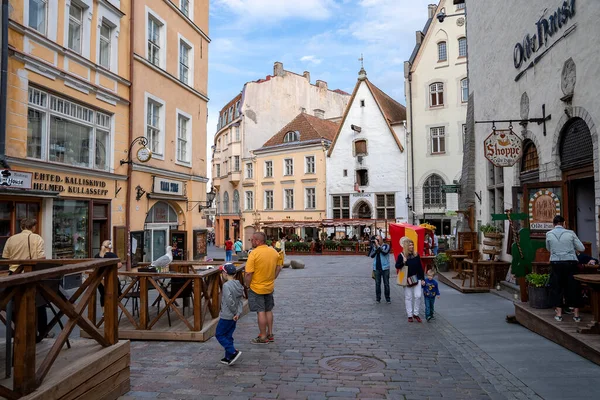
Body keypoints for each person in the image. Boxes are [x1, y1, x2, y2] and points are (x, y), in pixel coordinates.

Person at [2, 218, 50, 342]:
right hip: (31, 273)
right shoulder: (37, 238)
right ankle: (41, 331)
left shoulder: (11, 239)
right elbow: (41, 258)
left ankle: (18, 328)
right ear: (33, 226)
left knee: (12, 302)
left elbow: (6, 257)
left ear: (22, 226)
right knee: (39, 304)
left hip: (14, 275)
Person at [546, 215, 585, 322]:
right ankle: (576, 315)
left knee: (557, 287)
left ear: (553, 224)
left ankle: (559, 314)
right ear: (564, 223)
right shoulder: (570, 233)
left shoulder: (549, 234)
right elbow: (581, 248)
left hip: (556, 262)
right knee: (573, 287)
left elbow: (548, 248)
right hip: (570, 262)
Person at [244, 232, 281, 344]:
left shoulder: (254, 254)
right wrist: (272, 278)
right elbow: (279, 267)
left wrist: (247, 285)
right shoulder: (273, 252)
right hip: (269, 286)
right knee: (268, 310)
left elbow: (248, 274)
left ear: (257, 241)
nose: (251, 242)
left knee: (260, 311)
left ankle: (263, 336)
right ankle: (270, 334)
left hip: (256, 287)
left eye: (252, 240)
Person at [215, 263, 244, 365]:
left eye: (222, 272)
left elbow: (229, 300)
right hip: (234, 316)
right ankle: (228, 357)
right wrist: (238, 313)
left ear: (225, 273)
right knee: (228, 335)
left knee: (219, 334)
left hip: (227, 315)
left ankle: (233, 351)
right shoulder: (239, 284)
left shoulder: (226, 285)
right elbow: (240, 300)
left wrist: (234, 312)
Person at [396, 237, 425, 322]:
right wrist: (403, 262)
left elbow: (420, 267)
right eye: (410, 245)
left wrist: (422, 278)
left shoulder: (416, 255)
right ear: (406, 246)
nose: (412, 246)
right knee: (408, 297)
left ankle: (416, 313)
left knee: (418, 296)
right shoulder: (401, 255)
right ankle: (409, 315)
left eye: (412, 245)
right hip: (406, 278)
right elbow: (397, 266)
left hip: (416, 277)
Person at [94, 240, 123, 307]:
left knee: (103, 295)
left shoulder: (97, 255)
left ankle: (104, 312)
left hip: (100, 279)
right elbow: (119, 265)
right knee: (114, 294)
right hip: (111, 277)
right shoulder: (112, 255)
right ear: (109, 246)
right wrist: (111, 269)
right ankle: (112, 311)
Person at [369, 235, 391, 304]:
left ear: (381, 239)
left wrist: (378, 246)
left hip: (385, 268)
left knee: (386, 284)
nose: (377, 241)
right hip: (377, 268)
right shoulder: (374, 246)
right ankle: (378, 298)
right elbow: (371, 255)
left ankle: (388, 298)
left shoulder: (386, 245)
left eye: (378, 239)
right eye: (376, 240)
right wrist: (376, 247)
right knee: (377, 284)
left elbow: (385, 252)